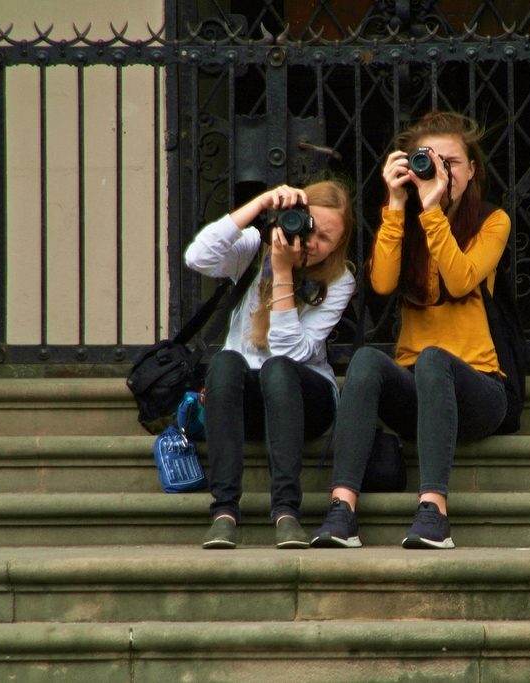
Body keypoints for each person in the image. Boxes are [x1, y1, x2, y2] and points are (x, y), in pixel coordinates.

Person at [310, 111, 510, 550]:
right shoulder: (407, 221)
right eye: (431, 160)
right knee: (366, 360)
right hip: (417, 392)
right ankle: (342, 510)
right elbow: (381, 283)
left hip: (479, 390)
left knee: (435, 357)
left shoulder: (493, 221)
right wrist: (396, 205)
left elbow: (460, 280)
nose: (441, 171)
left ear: (472, 169)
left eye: (452, 162)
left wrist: (434, 210)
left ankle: (434, 512)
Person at [184, 180, 356, 549]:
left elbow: (291, 354)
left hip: (307, 397)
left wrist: (282, 275)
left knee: (277, 369)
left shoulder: (340, 280)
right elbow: (197, 256)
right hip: (249, 398)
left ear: (339, 245)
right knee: (226, 363)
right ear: (293, 217)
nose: (311, 242)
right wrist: (261, 203)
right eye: (308, 226)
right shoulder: (254, 249)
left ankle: (287, 513)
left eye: (326, 239)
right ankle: (224, 513)